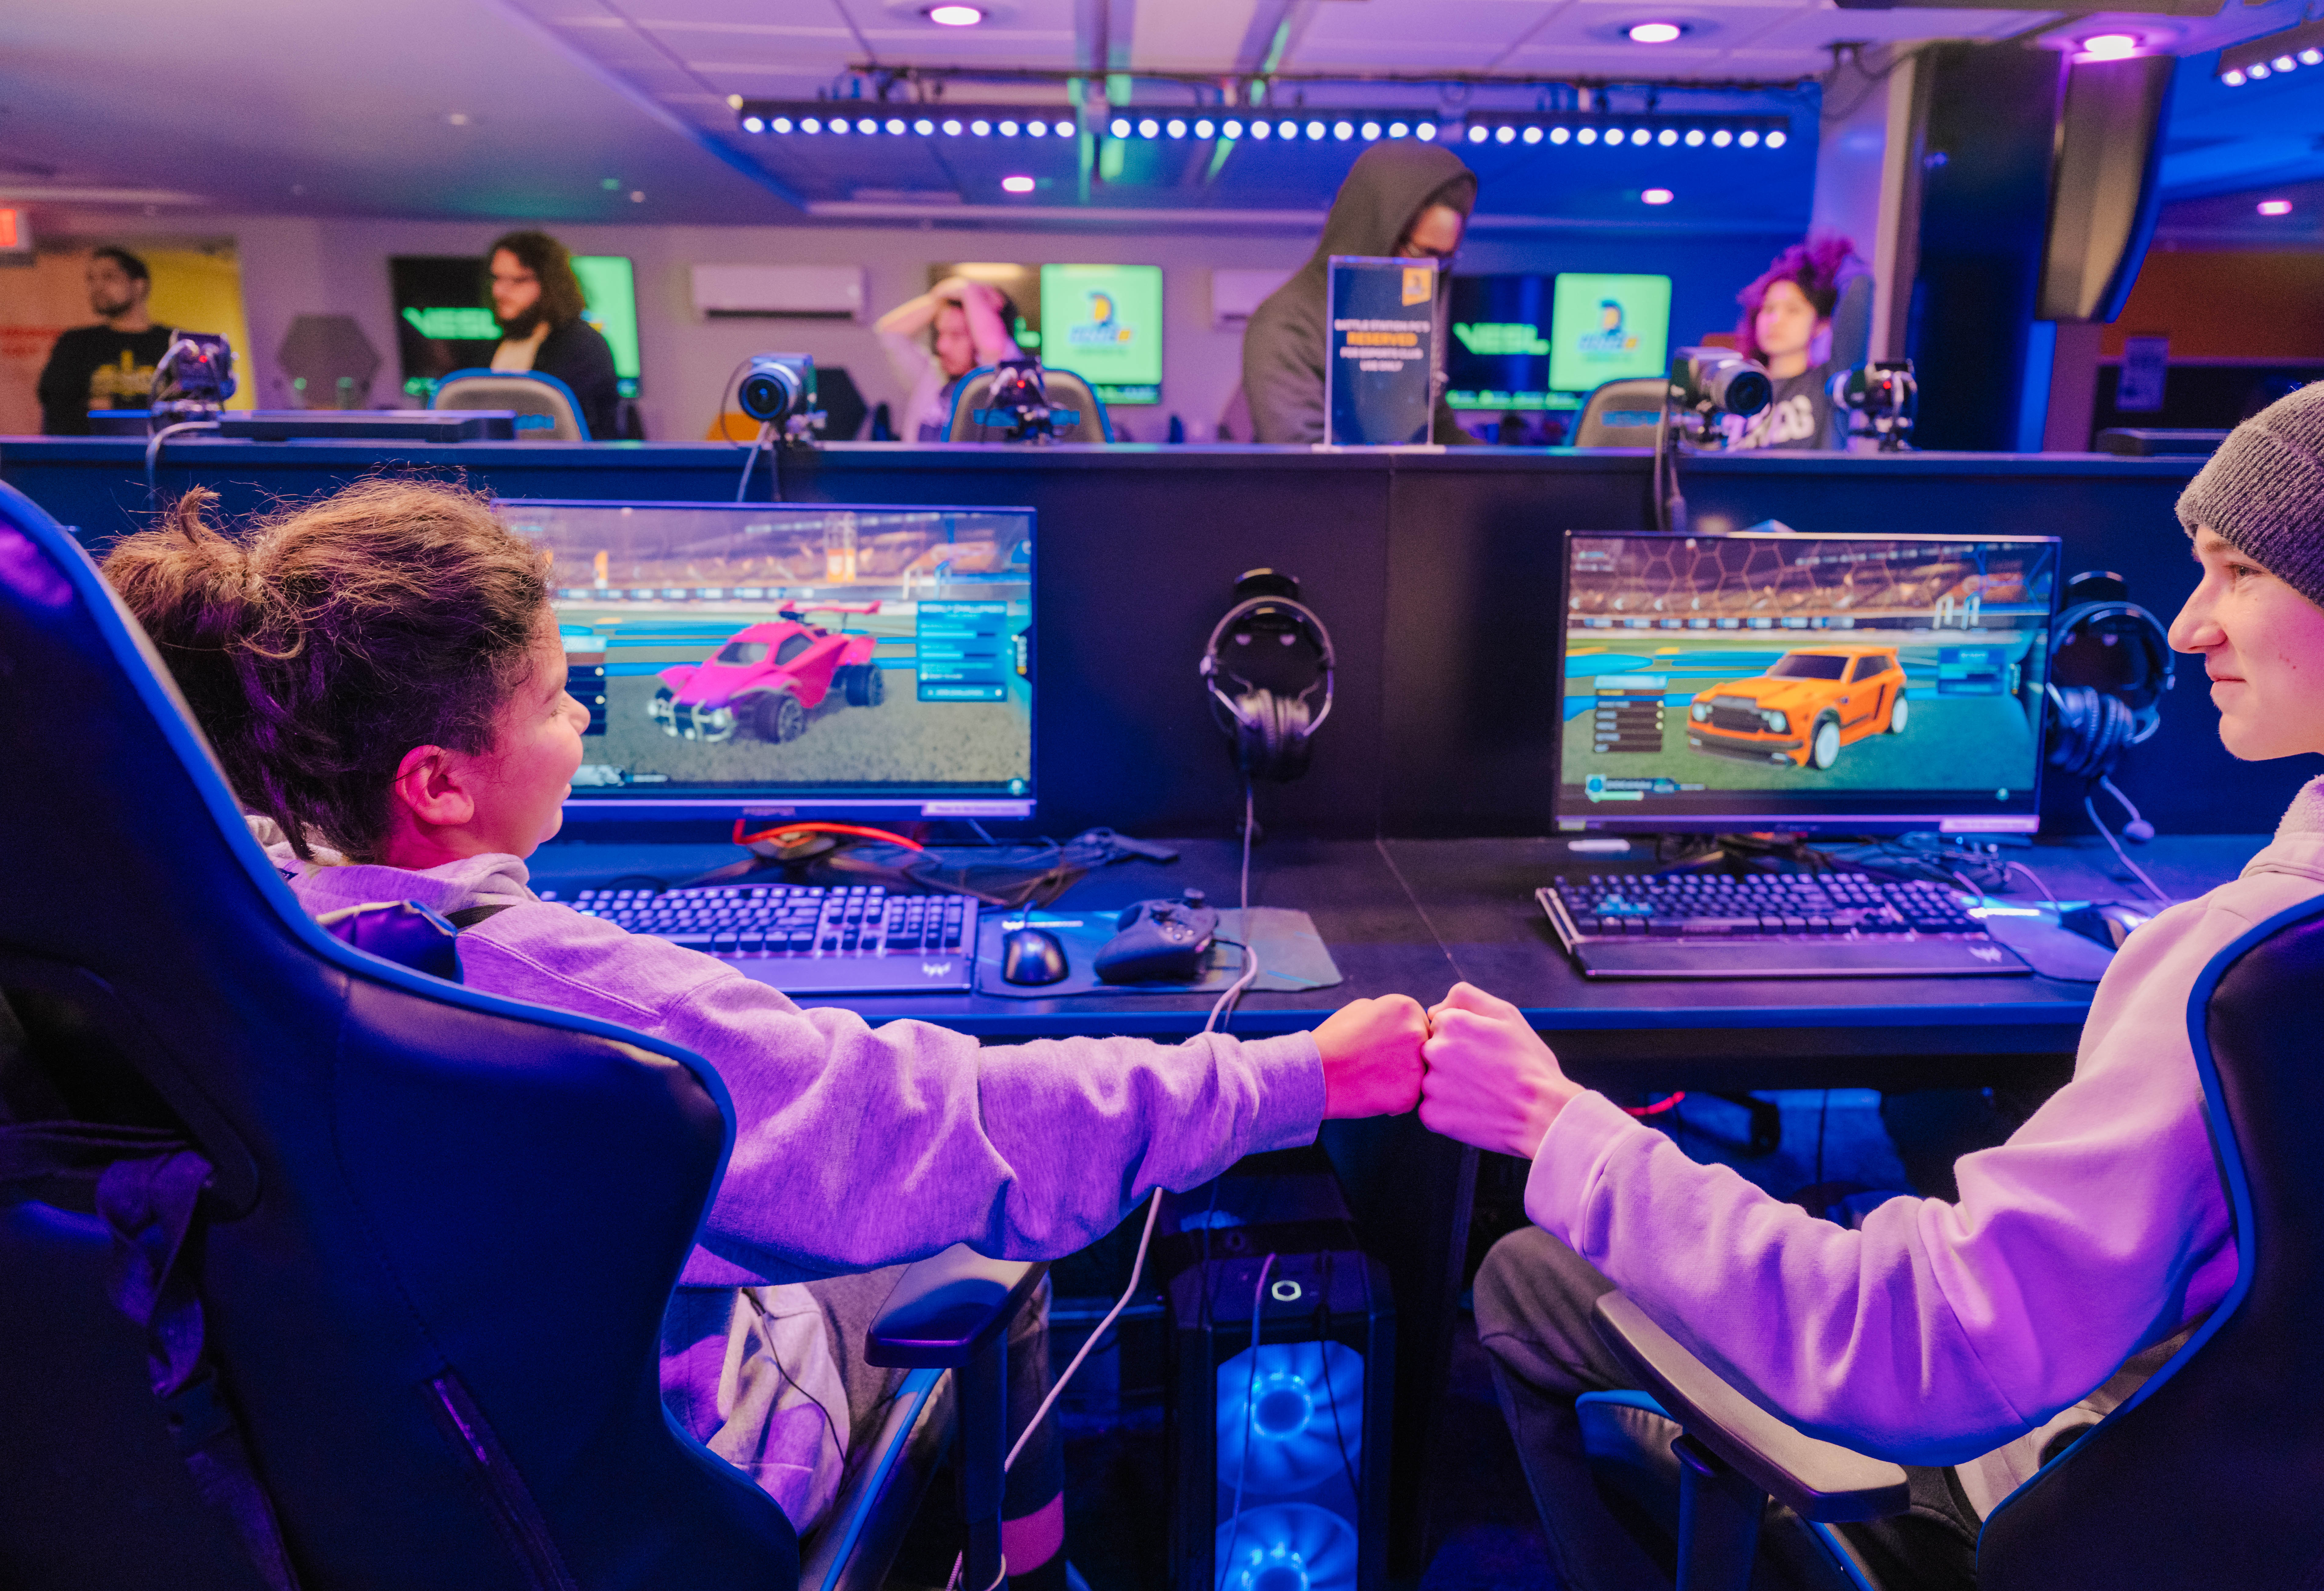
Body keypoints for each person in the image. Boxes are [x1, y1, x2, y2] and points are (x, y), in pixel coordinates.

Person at [99, 477, 1429, 1590]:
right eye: (560, 700)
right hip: (645, 1487)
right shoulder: (562, 996)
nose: (582, 727)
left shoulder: (216, 934)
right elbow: (944, 1124)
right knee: (969, 1231)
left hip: (360, 1488)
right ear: (438, 781)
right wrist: (1301, 1073)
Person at [1426, 369, 2324, 1589]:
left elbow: (1920, 1348)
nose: (2190, 626)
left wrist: (1555, 1125)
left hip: (2060, 1498)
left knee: (1524, 1271)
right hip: (2302, 1524)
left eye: (2241, 572)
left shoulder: (2255, 972)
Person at [1242, 142, 1478, 446]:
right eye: (1423, 254)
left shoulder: (1401, 320)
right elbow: (1301, 464)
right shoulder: (1285, 324)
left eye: (1444, 260)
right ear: (1377, 230)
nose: (1430, 273)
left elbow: (1440, 435)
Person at [1724, 236, 1863, 453]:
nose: (1776, 321)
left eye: (1793, 310)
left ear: (1821, 325)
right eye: (1769, 309)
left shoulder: (1829, 384)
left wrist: (1829, 261)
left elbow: (1861, 284)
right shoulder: (1736, 388)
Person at [485, 230, 624, 441]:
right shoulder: (499, 345)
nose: (499, 291)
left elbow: (554, 429)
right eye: (497, 278)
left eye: (516, 280)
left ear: (550, 284)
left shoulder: (583, 345)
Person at [36, 247, 176, 436]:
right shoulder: (75, 343)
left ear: (139, 285)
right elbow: (57, 405)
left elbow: (187, 411)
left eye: (109, 277)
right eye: (91, 279)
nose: (98, 287)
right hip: (89, 459)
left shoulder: (174, 344)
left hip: (161, 458)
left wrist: (112, 406)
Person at [874, 277, 1023, 442]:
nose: (942, 347)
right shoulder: (930, 376)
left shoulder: (1001, 379)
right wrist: (940, 298)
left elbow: (993, 348)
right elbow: (891, 334)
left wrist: (970, 292)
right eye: (941, 333)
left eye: (956, 335)